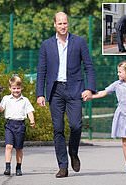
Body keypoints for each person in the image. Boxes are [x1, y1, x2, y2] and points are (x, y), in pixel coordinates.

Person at [36, 12, 96, 178]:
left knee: (76, 125)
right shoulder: (46, 45)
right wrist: (39, 94)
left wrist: (89, 88)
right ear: (54, 25)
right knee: (58, 129)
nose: (63, 26)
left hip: (75, 89)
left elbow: (89, 67)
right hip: (55, 91)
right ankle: (63, 166)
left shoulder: (79, 42)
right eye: (60, 23)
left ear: (68, 24)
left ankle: (73, 152)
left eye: (65, 23)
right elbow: (41, 70)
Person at [91, 60, 126, 176]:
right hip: (121, 113)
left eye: (120, 72)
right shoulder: (117, 84)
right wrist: (91, 96)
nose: (118, 74)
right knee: (125, 141)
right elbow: (104, 92)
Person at [0, 75, 35, 176]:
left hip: (20, 125)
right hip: (9, 124)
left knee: (18, 148)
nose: (16, 90)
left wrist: (32, 120)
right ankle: (7, 167)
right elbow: (1, 109)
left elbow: (29, 111)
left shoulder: (25, 100)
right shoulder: (6, 98)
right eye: (14, 88)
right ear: (10, 88)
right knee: (8, 146)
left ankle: (18, 167)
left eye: (18, 88)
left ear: (21, 88)